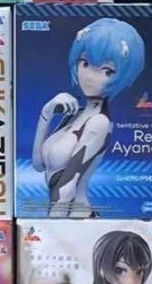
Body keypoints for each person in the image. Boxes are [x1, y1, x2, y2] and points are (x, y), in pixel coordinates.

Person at [31, 17, 145, 217]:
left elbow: (67, 188)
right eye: (85, 63)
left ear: (122, 76)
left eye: (107, 71)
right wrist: (46, 113)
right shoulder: (76, 114)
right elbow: (39, 165)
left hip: (74, 217)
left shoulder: (99, 122)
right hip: (62, 215)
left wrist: (51, 227)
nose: (90, 76)